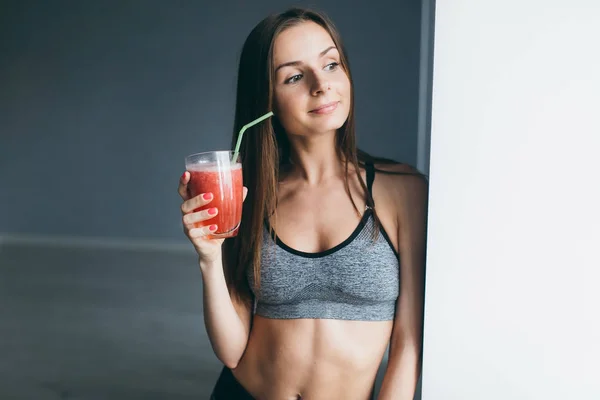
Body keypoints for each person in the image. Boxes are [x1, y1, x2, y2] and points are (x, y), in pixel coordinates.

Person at [178, 7, 428, 400]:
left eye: (331, 65)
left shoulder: (403, 191)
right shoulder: (252, 194)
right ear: (267, 100)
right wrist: (209, 259)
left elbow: (409, 345)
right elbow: (231, 351)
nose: (321, 84)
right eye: (294, 76)